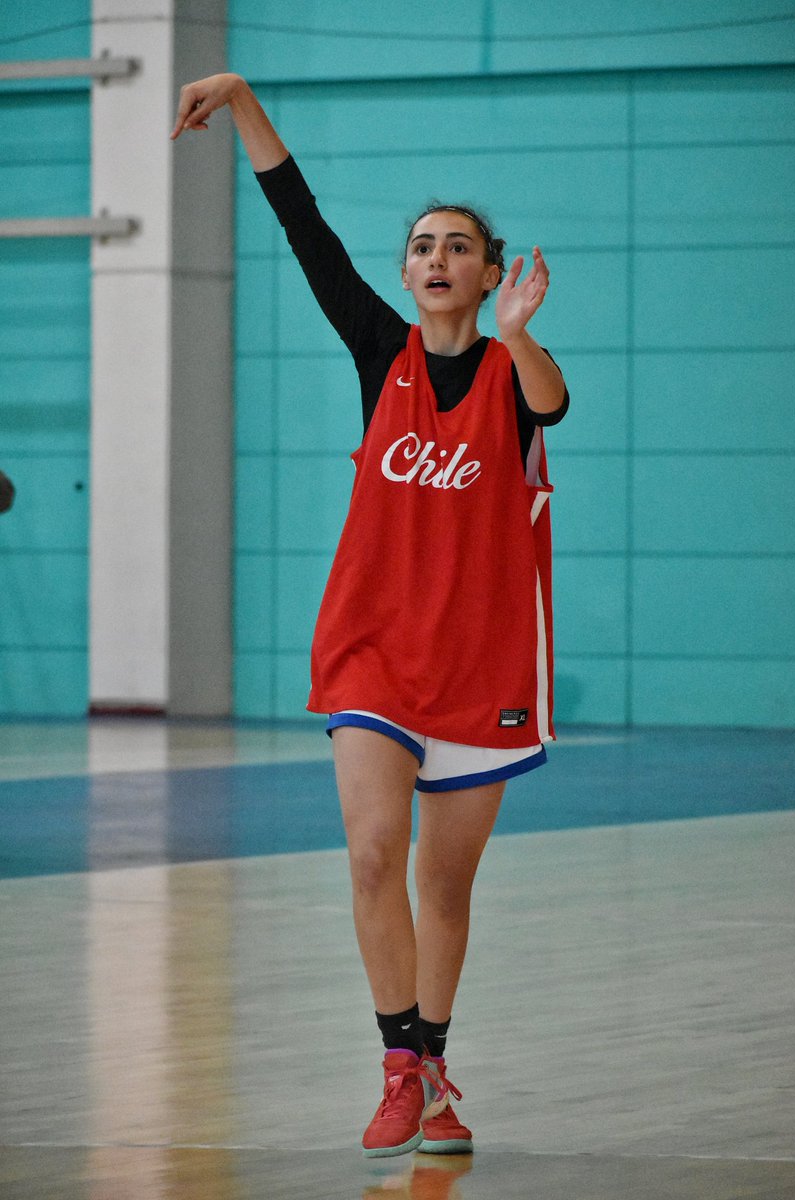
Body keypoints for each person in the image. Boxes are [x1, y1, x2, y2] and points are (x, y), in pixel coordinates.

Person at [172, 74, 569, 1159]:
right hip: (372, 654)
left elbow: (549, 405)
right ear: (408, 271)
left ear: (489, 275)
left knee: (445, 885)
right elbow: (303, 227)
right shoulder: (377, 351)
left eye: (458, 247)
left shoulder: (511, 371)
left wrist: (524, 333)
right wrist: (245, 101)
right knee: (370, 851)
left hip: (482, 664)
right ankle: (399, 1064)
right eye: (422, 246)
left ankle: (436, 1065)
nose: (435, 258)